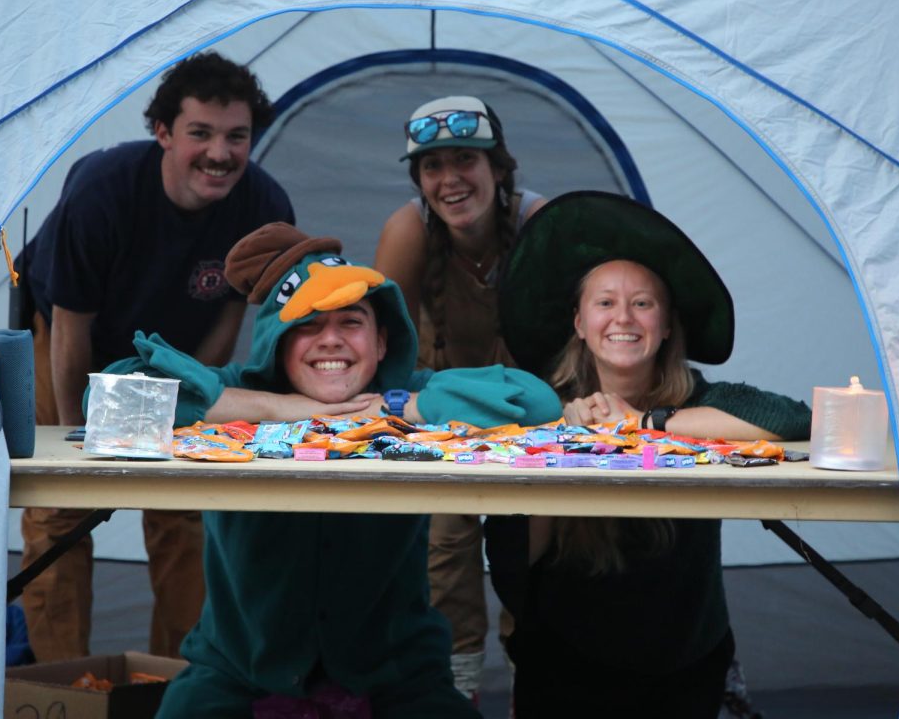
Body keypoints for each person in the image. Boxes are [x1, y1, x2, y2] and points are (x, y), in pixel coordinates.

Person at [100, 222, 561, 718]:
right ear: (275, 342)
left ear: (382, 342)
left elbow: (537, 402)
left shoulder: (416, 397)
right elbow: (110, 398)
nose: (331, 341)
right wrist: (278, 410)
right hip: (240, 673)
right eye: (308, 324)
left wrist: (396, 408)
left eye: (351, 322)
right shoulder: (235, 394)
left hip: (396, 676)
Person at [486, 190, 813, 718]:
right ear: (578, 322)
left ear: (664, 326)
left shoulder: (699, 401)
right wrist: (562, 447)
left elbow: (794, 419)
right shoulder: (540, 404)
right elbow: (514, 562)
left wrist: (642, 425)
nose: (624, 318)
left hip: (683, 662)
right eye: (605, 302)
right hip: (570, 661)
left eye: (642, 303)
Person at [19, 52, 295, 662]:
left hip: (172, 356)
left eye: (237, 136)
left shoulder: (264, 207)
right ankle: (66, 683)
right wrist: (79, 442)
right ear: (164, 132)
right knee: (61, 505)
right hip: (71, 339)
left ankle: (178, 679)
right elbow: (71, 329)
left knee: (184, 501)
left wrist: (187, 400)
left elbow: (229, 317)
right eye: (200, 133)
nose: (219, 153)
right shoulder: (102, 193)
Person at [373, 95, 546, 698]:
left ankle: (538, 680)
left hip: (528, 415)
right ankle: (456, 688)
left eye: (465, 160)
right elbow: (385, 352)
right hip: (435, 412)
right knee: (444, 542)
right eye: (432, 166)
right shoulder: (408, 231)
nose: (449, 180)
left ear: (498, 167)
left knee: (531, 551)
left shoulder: (536, 223)